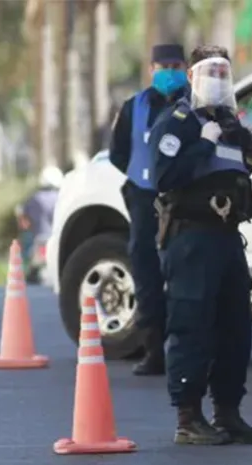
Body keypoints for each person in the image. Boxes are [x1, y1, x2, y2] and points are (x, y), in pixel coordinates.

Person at [148, 44, 252, 446]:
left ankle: (228, 412)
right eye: (211, 73)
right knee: (192, 326)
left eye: (224, 74)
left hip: (227, 237)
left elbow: (237, 175)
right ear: (193, 76)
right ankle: (188, 417)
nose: (218, 82)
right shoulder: (178, 121)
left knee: (235, 328)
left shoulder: (231, 124)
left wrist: (248, 151)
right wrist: (202, 142)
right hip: (191, 237)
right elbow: (164, 176)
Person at [110, 44, 189, 376]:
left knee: (186, 277)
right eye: (163, 65)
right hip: (145, 201)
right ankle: (154, 351)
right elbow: (119, 153)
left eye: (175, 65)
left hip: (186, 201)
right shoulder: (134, 107)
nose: (169, 72)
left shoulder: (197, 104)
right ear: (151, 68)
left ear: (185, 68)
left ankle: (187, 353)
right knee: (147, 275)